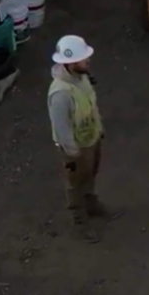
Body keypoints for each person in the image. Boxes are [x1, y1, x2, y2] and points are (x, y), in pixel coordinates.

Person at [47, 34, 118, 243]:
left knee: (91, 174)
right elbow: (62, 128)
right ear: (70, 63)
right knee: (75, 183)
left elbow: (91, 105)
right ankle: (79, 220)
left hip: (91, 139)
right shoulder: (60, 94)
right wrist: (73, 154)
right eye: (83, 58)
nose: (88, 60)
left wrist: (99, 129)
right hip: (76, 148)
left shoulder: (82, 77)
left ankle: (91, 204)